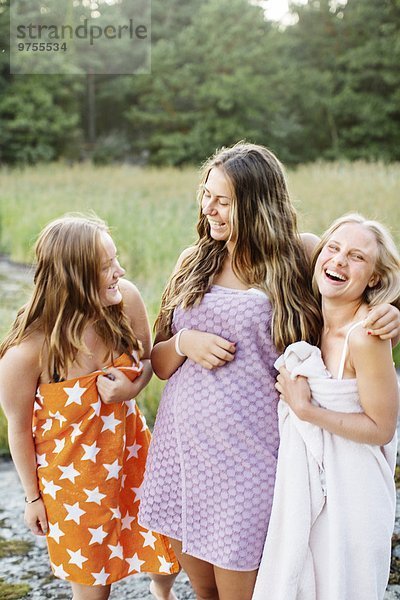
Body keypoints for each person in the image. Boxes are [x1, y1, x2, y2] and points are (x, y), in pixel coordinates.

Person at [137, 142, 400, 600]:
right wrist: (183, 342)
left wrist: (392, 315)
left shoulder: (300, 254)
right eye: (206, 195)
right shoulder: (193, 261)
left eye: (223, 200)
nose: (209, 209)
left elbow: (357, 286)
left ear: (257, 201)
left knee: (248, 588)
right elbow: (158, 364)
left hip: (253, 459)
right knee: (203, 590)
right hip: (182, 453)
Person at [0, 215, 179, 600]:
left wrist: (131, 390)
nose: (121, 271)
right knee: (94, 586)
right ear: (74, 277)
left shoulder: (124, 300)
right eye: (106, 267)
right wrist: (33, 499)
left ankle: (161, 593)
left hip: (134, 458)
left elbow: (147, 360)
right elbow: (17, 427)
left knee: (166, 554)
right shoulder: (27, 352)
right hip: (73, 483)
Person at [252, 214, 400, 600]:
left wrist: (308, 411)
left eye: (356, 257)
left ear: (374, 278)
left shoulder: (366, 336)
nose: (338, 261)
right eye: (333, 248)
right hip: (313, 490)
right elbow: (288, 240)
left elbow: (382, 428)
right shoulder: (312, 319)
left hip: (354, 497)